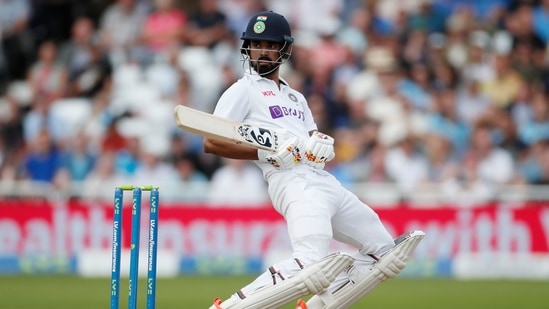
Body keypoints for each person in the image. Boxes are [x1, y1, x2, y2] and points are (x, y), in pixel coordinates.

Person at [201, 11, 424, 309]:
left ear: (285, 49)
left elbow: (310, 142)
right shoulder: (242, 90)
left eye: (269, 44)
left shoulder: (297, 98)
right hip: (290, 181)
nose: (262, 51)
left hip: (322, 181)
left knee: (382, 251)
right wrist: (263, 152)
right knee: (310, 261)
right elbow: (212, 141)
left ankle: (318, 305)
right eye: (256, 44)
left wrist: (322, 147)